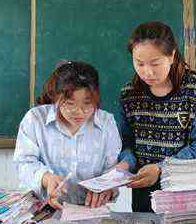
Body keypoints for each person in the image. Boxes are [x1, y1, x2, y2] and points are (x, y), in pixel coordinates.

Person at [116, 21, 196, 212]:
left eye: (155, 63)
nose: (147, 72)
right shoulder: (129, 95)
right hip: (148, 198)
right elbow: (126, 144)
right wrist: (125, 163)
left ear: (171, 56)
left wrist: (161, 168)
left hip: (194, 196)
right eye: (139, 63)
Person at [14, 61, 121, 209]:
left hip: (90, 211)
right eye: (70, 104)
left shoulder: (106, 122)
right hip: (43, 209)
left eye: (87, 103)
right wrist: (46, 178)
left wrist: (107, 187)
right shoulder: (35, 119)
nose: (79, 112)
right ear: (56, 97)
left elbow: (113, 168)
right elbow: (23, 163)